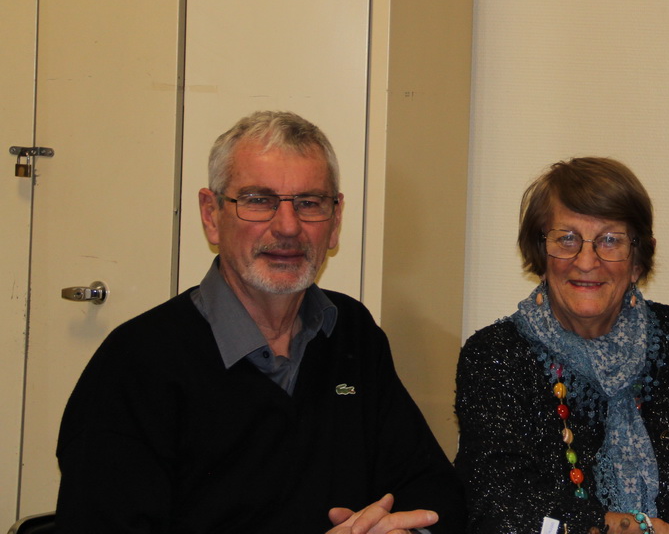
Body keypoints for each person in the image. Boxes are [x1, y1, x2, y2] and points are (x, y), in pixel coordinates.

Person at [55, 110, 466, 534]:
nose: (288, 227)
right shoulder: (137, 363)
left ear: (336, 221)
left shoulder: (352, 333)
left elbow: (433, 491)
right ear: (211, 215)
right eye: (258, 200)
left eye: (309, 203)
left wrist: (404, 531)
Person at [454, 157, 669, 534]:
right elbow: (499, 508)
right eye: (566, 239)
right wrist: (631, 528)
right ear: (540, 252)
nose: (586, 262)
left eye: (610, 240)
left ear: (637, 259)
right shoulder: (496, 356)